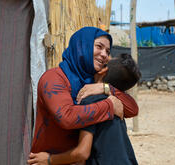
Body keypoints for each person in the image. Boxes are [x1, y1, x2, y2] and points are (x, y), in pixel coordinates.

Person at [28, 27, 139, 165]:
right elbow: (66, 117)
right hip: (46, 160)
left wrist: (105, 88)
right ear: (82, 45)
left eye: (108, 51)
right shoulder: (54, 78)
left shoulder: (94, 83)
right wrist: (109, 105)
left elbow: (133, 109)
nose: (104, 54)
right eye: (99, 46)